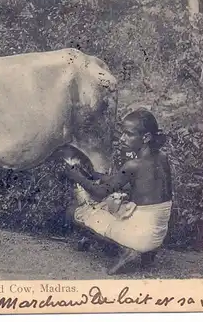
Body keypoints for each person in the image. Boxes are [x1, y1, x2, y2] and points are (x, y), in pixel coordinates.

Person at [64, 108, 173, 275]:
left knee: (75, 212)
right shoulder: (162, 157)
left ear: (146, 137)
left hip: (139, 237)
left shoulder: (133, 165)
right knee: (117, 207)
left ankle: (126, 250)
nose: (122, 138)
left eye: (128, 134)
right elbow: (127, 182)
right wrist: (93, 174)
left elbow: (100, 192)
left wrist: (76, 176)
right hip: (158, 234)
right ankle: (147, 254)